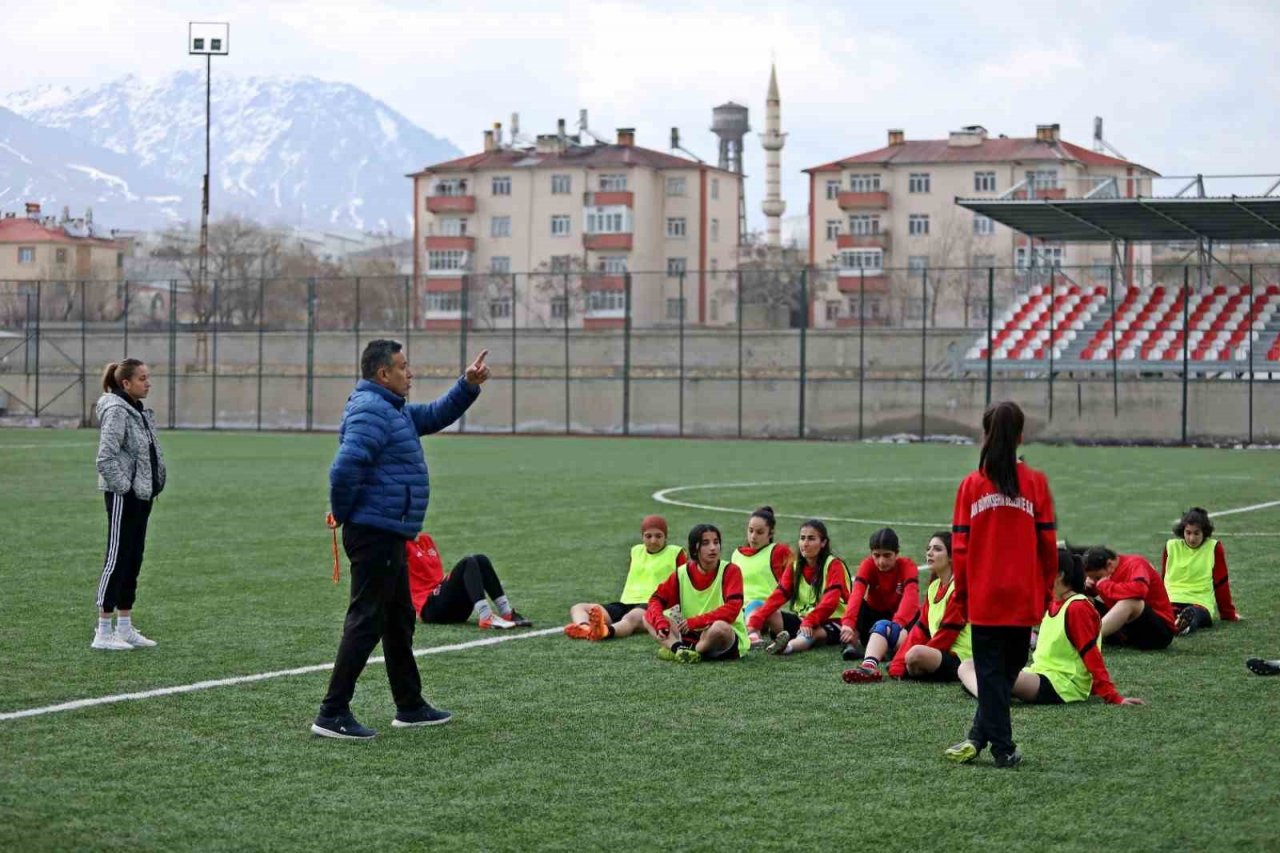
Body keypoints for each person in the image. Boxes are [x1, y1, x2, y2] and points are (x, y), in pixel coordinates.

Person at [311, 340, 490, 741]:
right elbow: (344, 469)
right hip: (374, 532)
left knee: (398, 618)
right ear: (383, 374)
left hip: (389, 531)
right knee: (367, 619)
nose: (410, 373)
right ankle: (332, 712)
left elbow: (435, 414)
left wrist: (468, 385)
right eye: (403, 367)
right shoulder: (372, 411)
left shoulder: (392, 410)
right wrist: (345, 512)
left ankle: (410, 706)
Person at [943, 401, 1058, 769]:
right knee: (1004, 669)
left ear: (986, 434)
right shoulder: (1035, 482)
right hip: (1022, 593)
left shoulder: (972, 485)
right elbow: (1047, 545)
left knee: (997, 673)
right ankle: (1000, 747)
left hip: (985, 596)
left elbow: (960, 548)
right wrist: (1047, 589)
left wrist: (962, 593)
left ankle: (982, 738)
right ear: (1021, 436)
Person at [958, 549, 1146, 708]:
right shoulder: (1054, 603)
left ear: (1059, 575)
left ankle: (990, 695)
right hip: (1040, 673)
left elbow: (1091, 654)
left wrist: (1112, 696)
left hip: (1063, 683)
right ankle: (989, 695)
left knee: (993, 674)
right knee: (967, 665)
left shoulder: (1078, 607)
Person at [92, 359, 167, 651]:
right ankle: (103, 631)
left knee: (134, 557)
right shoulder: (116, 411)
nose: (148, 383)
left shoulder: (138, 410)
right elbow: (105, 457)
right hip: (125, 496)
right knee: (117, 557)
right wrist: (125, 488)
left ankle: (124, 626)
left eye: (148, 377)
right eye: (142, 378)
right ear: (126, 383)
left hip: (142, 495)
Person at [849, 532, 969, 684]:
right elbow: (920, 630)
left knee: (915, 654)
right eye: (928, 549)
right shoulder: (934, 587)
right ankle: (868, 666)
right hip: (933, 648)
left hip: (959, 656)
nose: (930, 553)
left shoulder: (959, 588)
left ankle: (914, 666)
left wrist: (908, 657)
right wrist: (898, 663)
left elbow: (947, 634)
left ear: (951, 556)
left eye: (937, 549)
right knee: (884, 627)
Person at [564, 515, 686, 641]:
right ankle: (585, 629)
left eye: (658, 536)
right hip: (627, 602)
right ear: (642, 537)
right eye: (648, 536)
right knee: (578, 608)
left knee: (632, 617)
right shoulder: (636, 551)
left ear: (666, 537)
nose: (653, 541)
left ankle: (604, 632)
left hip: (656, 605)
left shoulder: (675, 553)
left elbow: (686, 582)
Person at [745, 520, 850, 656]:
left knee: (811, 633)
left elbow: (830, 603)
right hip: (803, 620)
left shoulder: (834, 565)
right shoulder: (795, 566)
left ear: (823, 543)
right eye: (802, 538)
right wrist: (757, 619)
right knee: (756, 604)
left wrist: (810, 621)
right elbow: (778, 596)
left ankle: (787, 647)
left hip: (834, 622)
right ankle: (753, 636)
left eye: (811, 539)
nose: (805, 543)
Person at [645, 524, 747, 663]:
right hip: (689, 634)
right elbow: (655, 600)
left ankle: (694, 651)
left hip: (722, 637)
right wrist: (660, 622)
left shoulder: (731, 570)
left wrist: (695, 622)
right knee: (647, 616)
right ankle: (678, 648)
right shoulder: (682, 573)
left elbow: (733, 609)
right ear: (694, 548)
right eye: (706, 543)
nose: (713, 547)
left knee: (719, 627)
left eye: (716, 542)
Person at [406, 532, 531, 629]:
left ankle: (506, 613)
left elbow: (437, 575)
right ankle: (485, 615)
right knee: (468, 562)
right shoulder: (402, 544)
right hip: (430, 610)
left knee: (481, 559)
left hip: (454, 610)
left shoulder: (426, 539)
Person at [838, 527, 920, 669]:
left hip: (898, 621)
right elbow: (857, 593)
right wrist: (848, 623)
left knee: (917, 613)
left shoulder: (907, 565)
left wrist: (896, 625)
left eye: (887, 555)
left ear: (897, 553)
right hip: (874, 621)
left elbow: (911, 598)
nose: (881, 561)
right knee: (860, 604)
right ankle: (850, 643)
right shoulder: (868, 564)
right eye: (876, 555)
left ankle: (893, 647)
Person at [1162, 507, 1239, 635]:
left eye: (1196, 533)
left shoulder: (1213, 548)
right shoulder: (1171, 546)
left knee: (1194, 614)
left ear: (1205, 532)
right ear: (1182, 531)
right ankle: (1178, 622)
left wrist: (1228, 614)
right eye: (1188, 533)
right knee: (1167, 612)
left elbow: (1221, 584)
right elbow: (1163, 578)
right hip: (1172, 599)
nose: (1192, 538)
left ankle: (1184, 624)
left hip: (1199, 602)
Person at [1081, 546, 1175, 650]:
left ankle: (1088, 641)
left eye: (1097, 577)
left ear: (1109, 564)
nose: (1095, 581)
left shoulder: (1135, 563)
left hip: (1159, 634)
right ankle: (1076, 635)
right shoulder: (1105, 573)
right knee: (1083, 599)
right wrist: (1085, 587)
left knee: (1131, 602)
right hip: (1128, 630)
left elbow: (1140, 590)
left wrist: (1104, 585)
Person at [731, 506, 793, 624]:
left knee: (754, 606)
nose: (753, 536)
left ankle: (754, 633)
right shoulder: (736, 554)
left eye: (759, 532)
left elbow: (798, 577)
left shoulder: (778, 551)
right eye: (750, 530)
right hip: (739, 612)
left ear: (771, 533)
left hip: (766, 611)